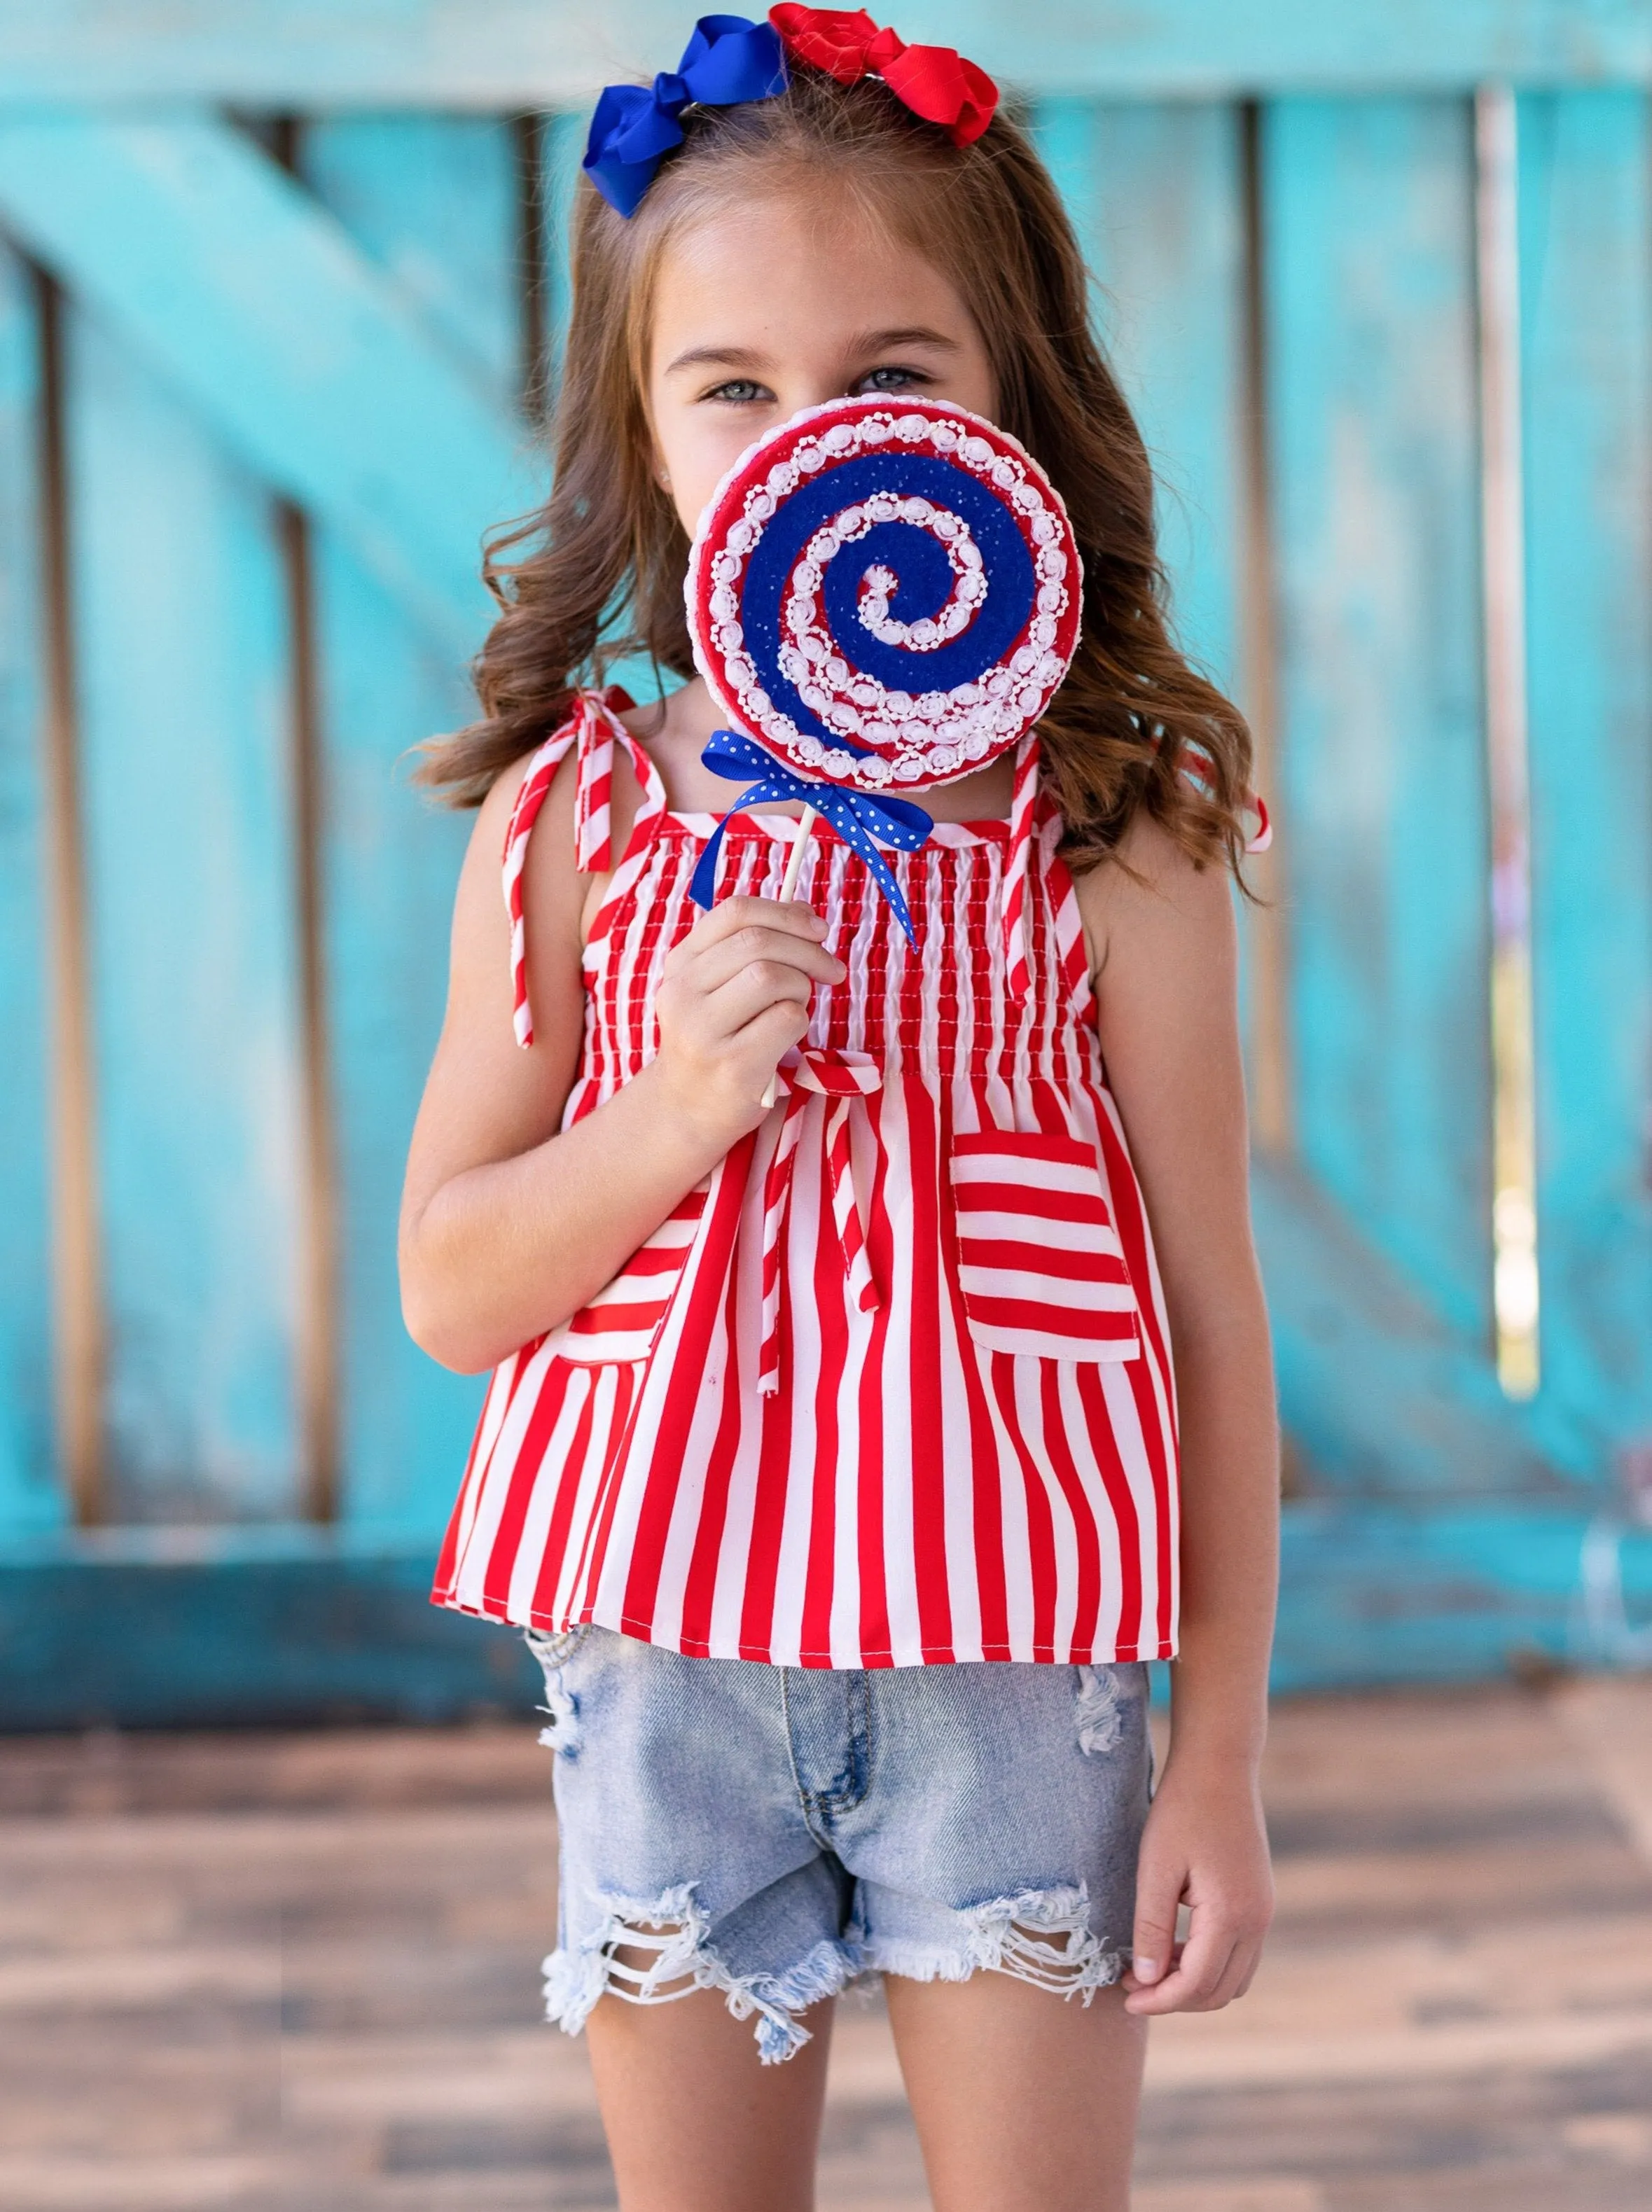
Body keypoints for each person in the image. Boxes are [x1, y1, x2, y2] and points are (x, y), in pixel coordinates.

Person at [399, 11, 1277, 2208]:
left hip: (1018, 1654)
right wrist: (674, 1110)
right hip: (665, 1646)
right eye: (736, 391)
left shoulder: (1116, 825)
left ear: (1012, 405)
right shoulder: (578, 820)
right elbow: (450, 1277)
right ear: (649, 438)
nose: (819, 447)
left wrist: (1223, 1752)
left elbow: (1207, 1305)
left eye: (893, 380)